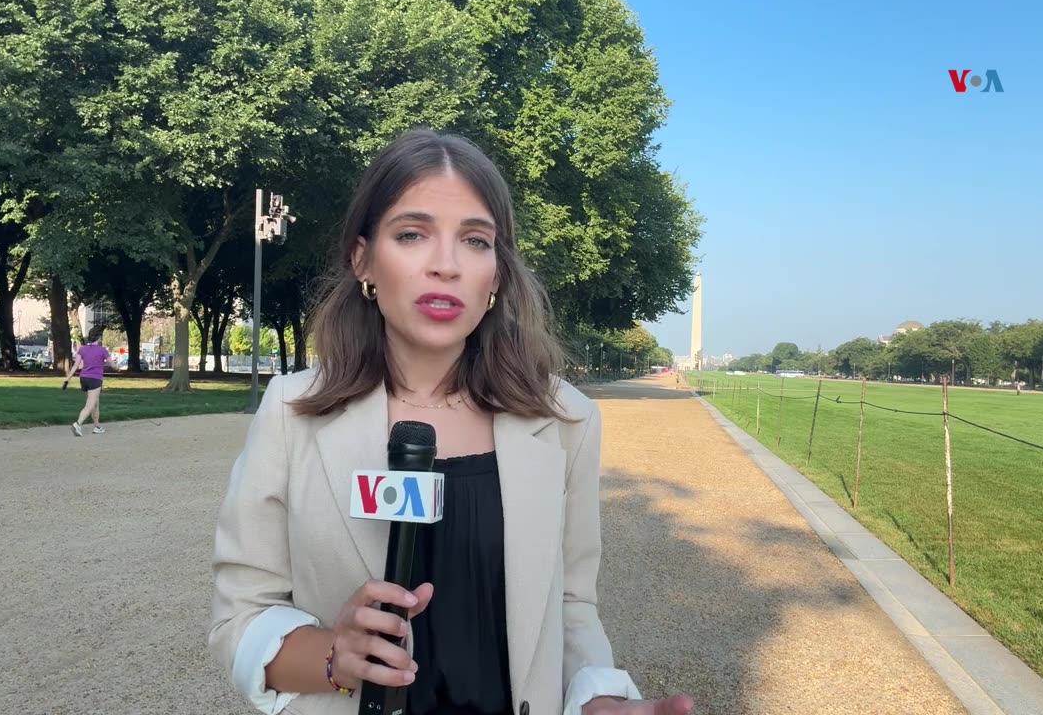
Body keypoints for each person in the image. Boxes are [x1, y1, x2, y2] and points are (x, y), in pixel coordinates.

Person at [208, 129, 695, 715]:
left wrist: (595, 697)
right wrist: (334, 654)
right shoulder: (291, 415)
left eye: (475, 240)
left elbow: (569, 606)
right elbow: (242, 616)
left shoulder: (565, 422)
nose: (446, 265)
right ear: (362, 258)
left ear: (497, 272)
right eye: (412, 234)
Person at [63, 326, 108, 436]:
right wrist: (115, 367)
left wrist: (67, 379)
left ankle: (97, 426)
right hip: (95, 379)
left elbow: (75, 366)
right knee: (90, 405)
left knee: (95, 403)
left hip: (84, 378)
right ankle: (78, 424)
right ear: (99, 338)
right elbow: (112, 363)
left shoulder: (82, 349)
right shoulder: (102, 350)